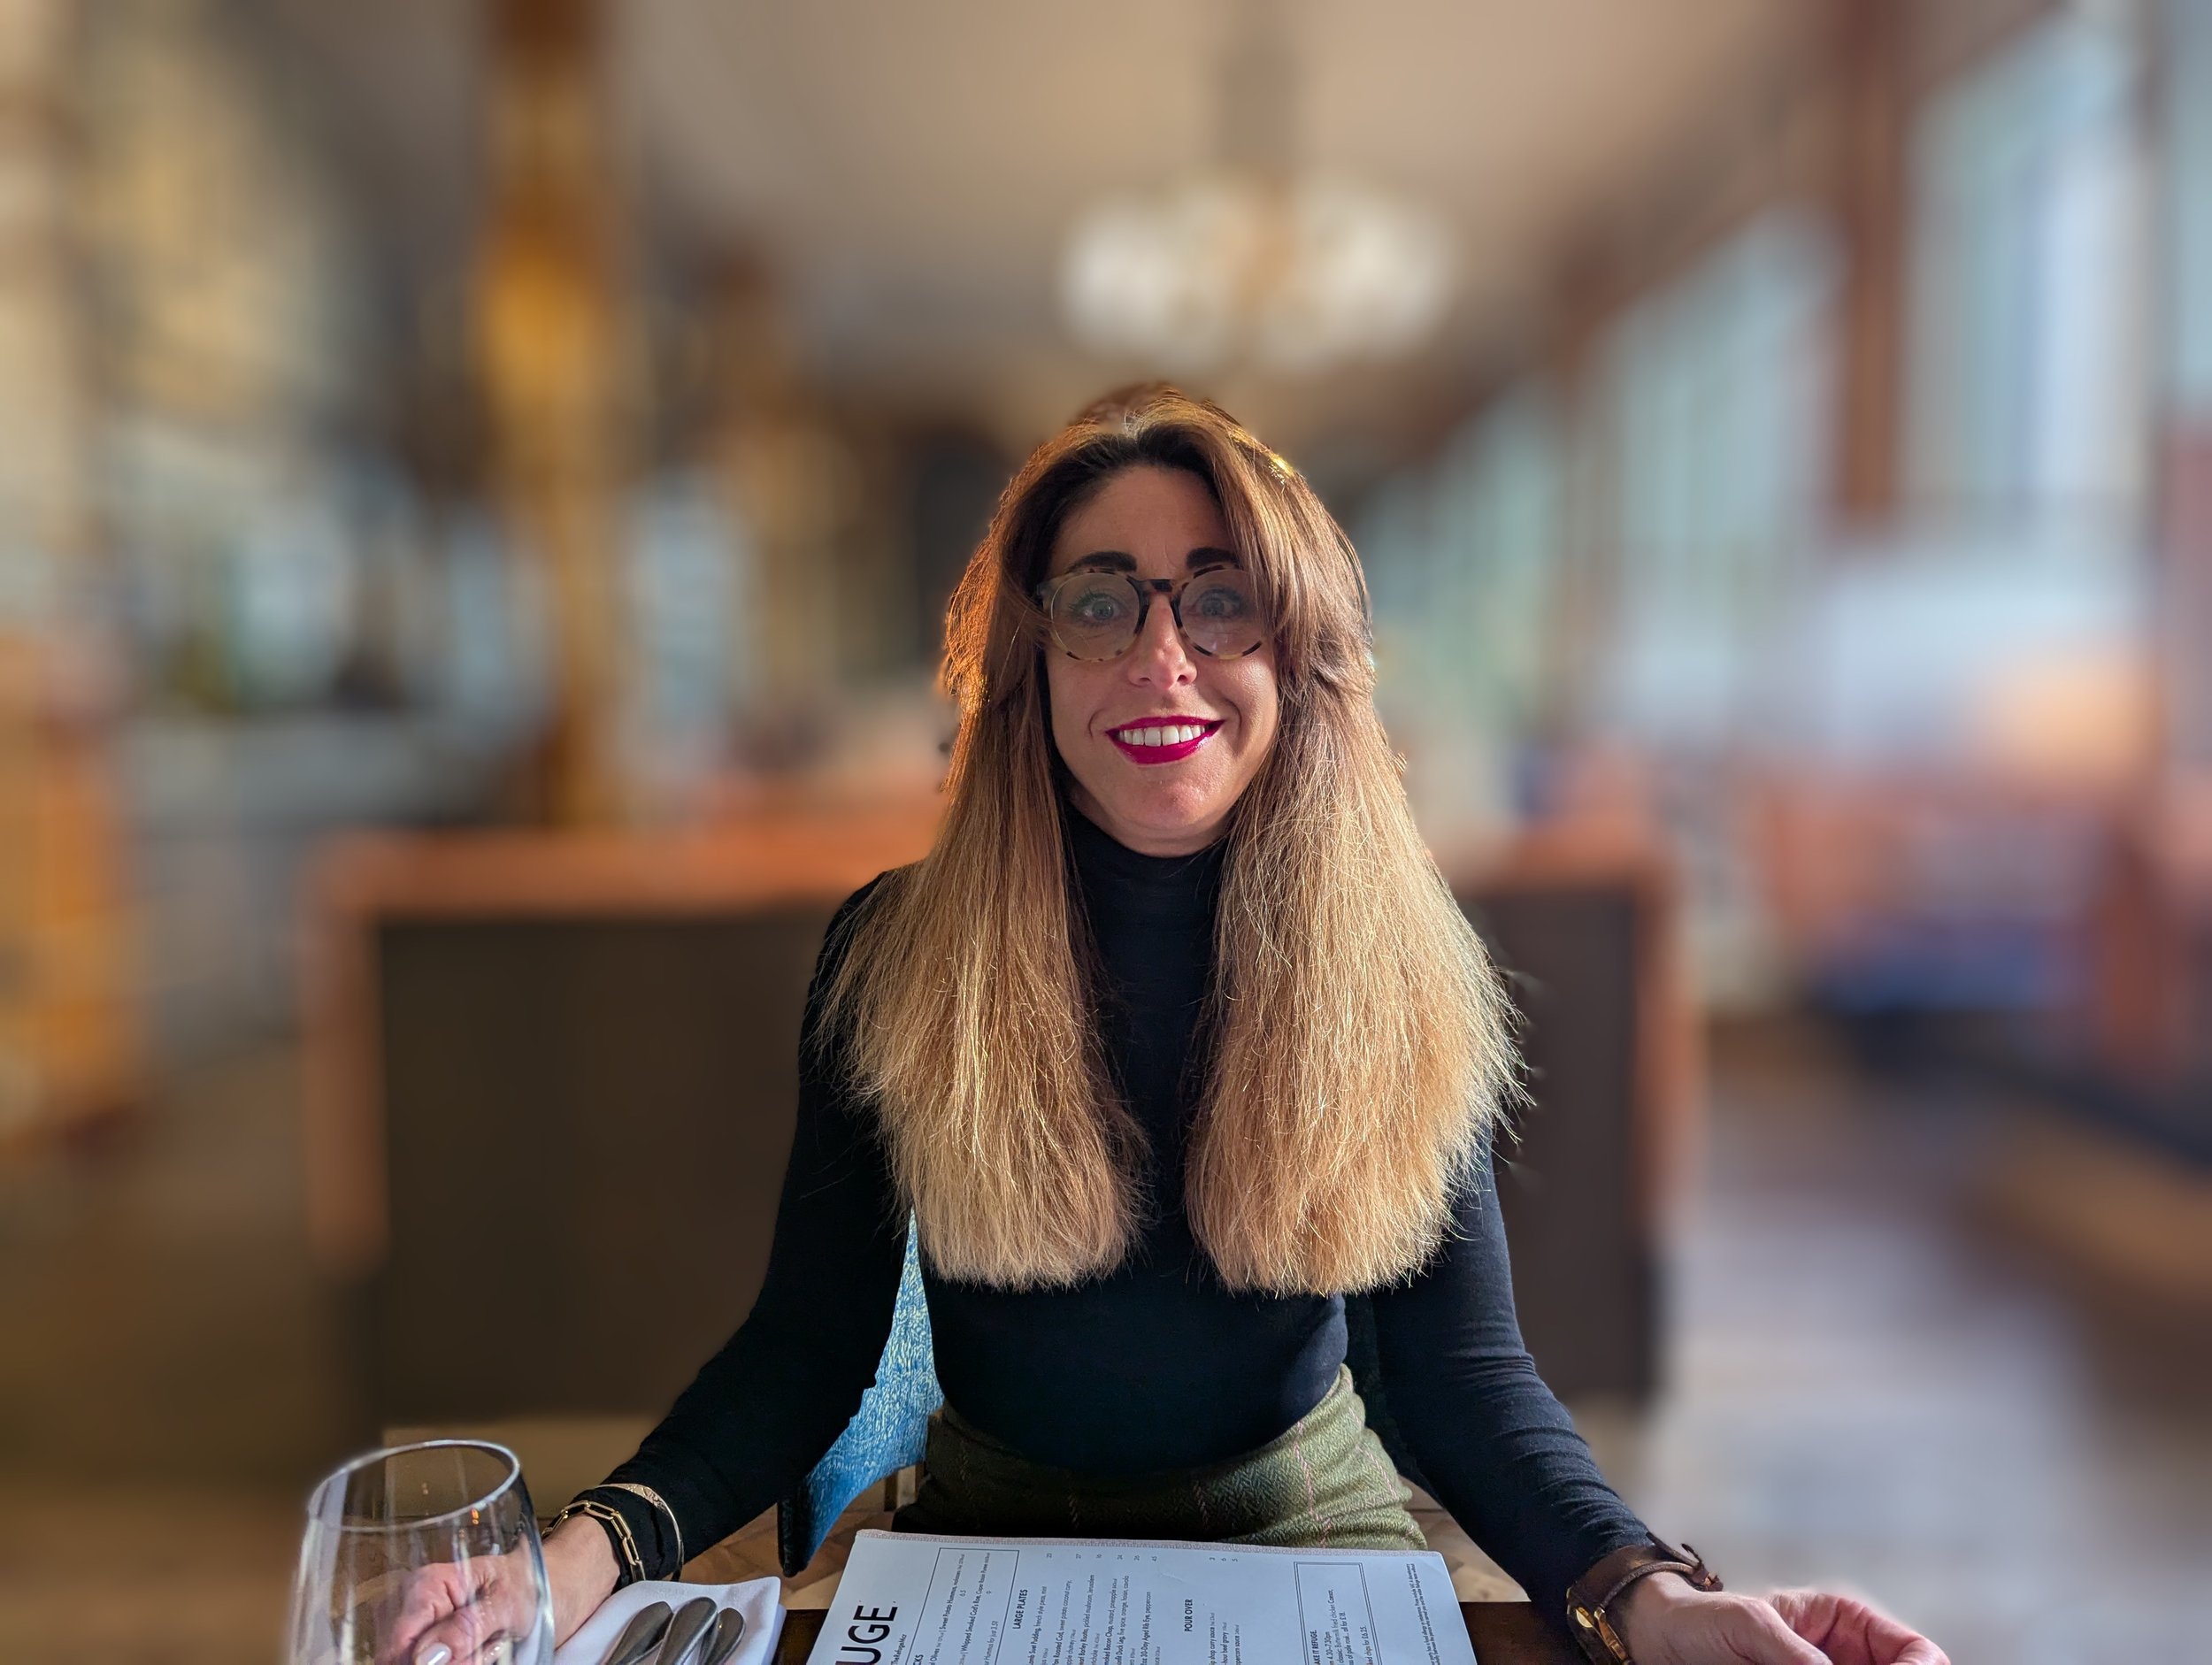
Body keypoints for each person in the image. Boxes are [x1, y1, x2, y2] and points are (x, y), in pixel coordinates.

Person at [394, 386, 1947, 1665]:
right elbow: (804, 1348)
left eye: (1223, 600)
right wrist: (578, 1557)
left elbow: (1464, 1376)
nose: (1163, 659)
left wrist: (1648, 1594)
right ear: (1031, 655)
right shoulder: (895, 949)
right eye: (1099, 602)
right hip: (986, 1543)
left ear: (1302, 652)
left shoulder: (1405, 959)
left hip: (1308, 1528)